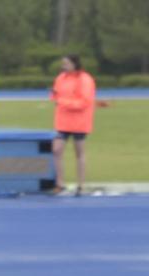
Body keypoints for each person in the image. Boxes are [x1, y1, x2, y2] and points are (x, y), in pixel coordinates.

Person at [50, 54, 96, 196]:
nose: (63, 66)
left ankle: (81, 185)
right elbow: (55, 94)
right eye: (63, 63)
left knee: (79, 153)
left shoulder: (85, 79)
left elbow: (85, 101)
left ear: (74, 64)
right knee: (56, 150)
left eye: (66, 63)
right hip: (63, 121)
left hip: (79, 121)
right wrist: (56, 98)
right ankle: (60, 183)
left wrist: (64, 102)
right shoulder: (61, 78)